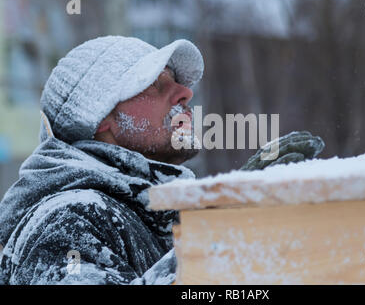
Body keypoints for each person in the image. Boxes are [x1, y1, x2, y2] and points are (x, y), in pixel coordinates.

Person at [0, 36, 324, 285]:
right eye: (156, 85)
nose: (185, 93)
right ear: (99, 118)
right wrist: (222, 233)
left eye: (178, 83)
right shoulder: (68, 219)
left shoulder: (154, 215)